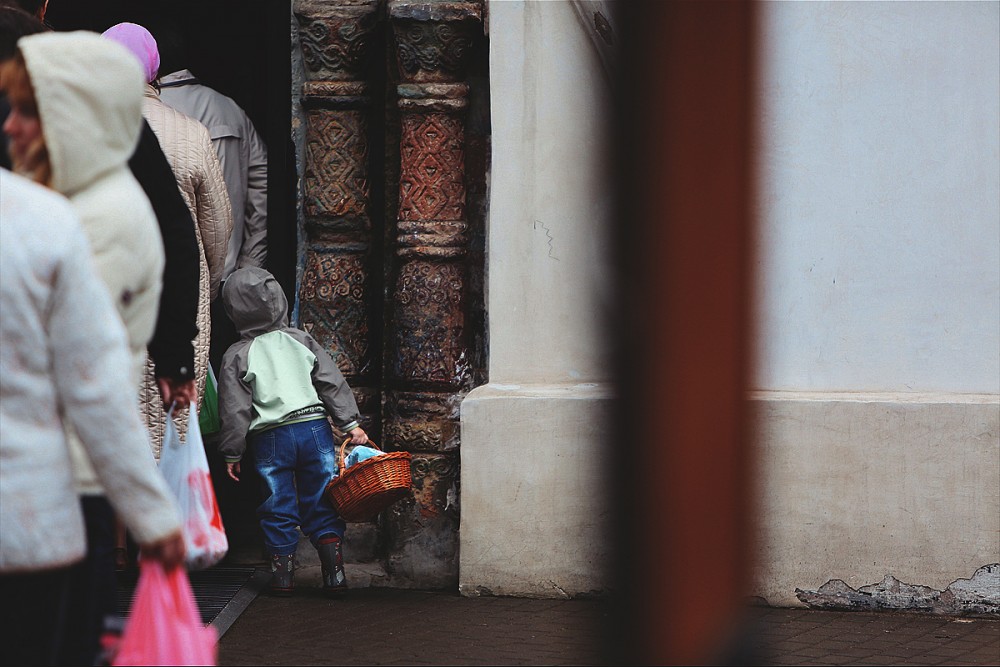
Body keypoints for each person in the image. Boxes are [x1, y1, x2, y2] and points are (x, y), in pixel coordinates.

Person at [1, 31, 179, 664]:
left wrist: (152, 516)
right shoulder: (49, 205)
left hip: (70, 489)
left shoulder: (91, 217)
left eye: (28, 112)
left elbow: (91, 384)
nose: (12, 128)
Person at [103, 22, 233, 459]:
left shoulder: (84, 132)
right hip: (180, 306)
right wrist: (202, 285)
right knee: (171, 434)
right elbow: (217, 234)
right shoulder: (191, 133)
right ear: (155, 69)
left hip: (107, 301)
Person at [217, 267, 369, 596]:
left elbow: (234, 409)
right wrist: (350, 424)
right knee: (321, 499)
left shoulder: (237, 354)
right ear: (278, 300)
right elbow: (330, 382)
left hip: (271, 438)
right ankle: (335, 576)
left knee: (278, 503)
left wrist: (232, 451)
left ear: (233, 310)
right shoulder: (301, 339)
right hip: (315, 431)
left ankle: (283, 578)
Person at [155, 22, 268, 372]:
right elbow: (260, 189)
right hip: (228, 275)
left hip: (165, 279)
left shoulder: (149, 114)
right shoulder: (231, 110)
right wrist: (249, 264)